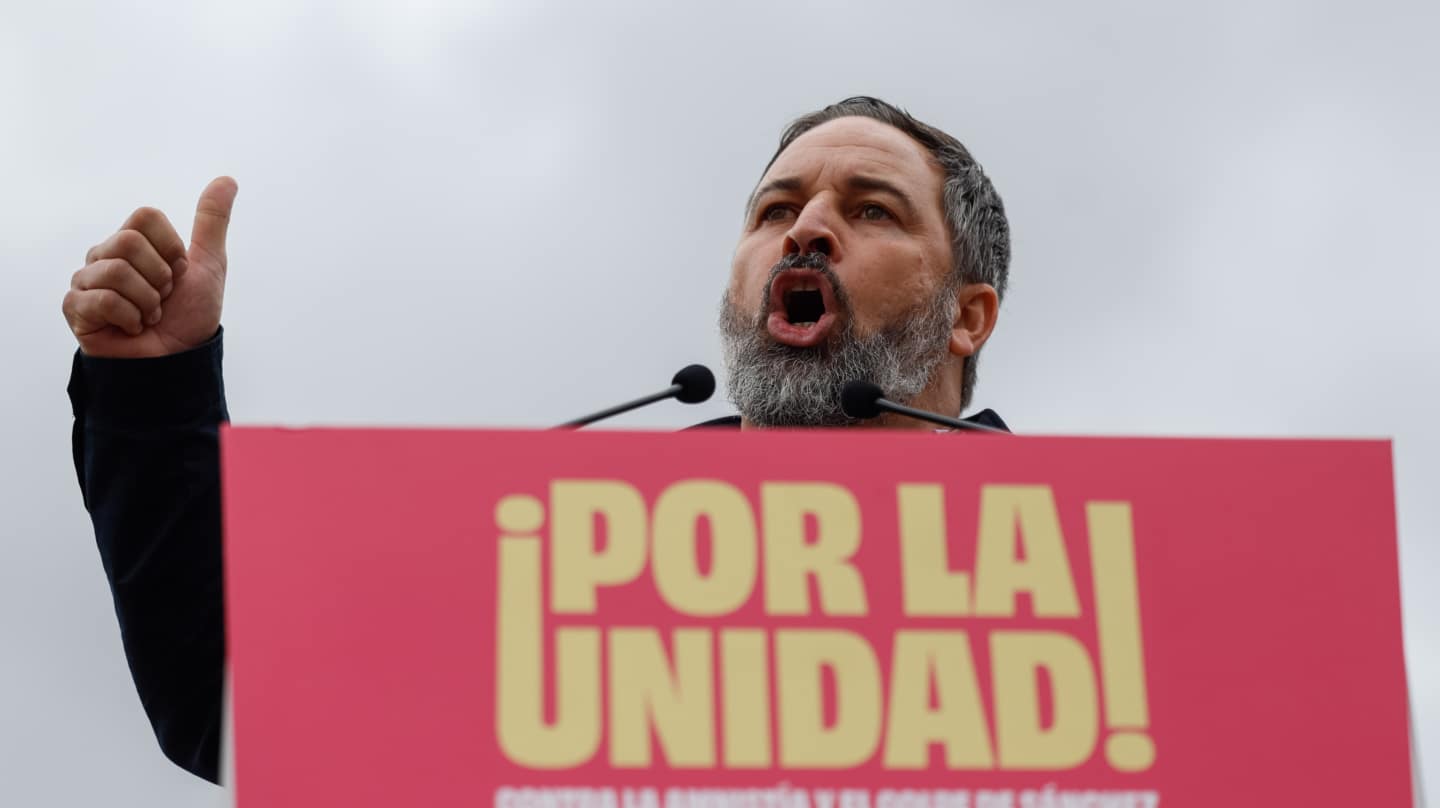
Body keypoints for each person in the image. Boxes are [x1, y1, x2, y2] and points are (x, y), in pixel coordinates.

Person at [63, 97, 1011, 783]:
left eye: (870, 208)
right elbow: (244, 701)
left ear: (968, 315)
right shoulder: (579, 562)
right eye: (774, 210)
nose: (805, 229)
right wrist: (152, 387)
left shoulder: (1117, 573)